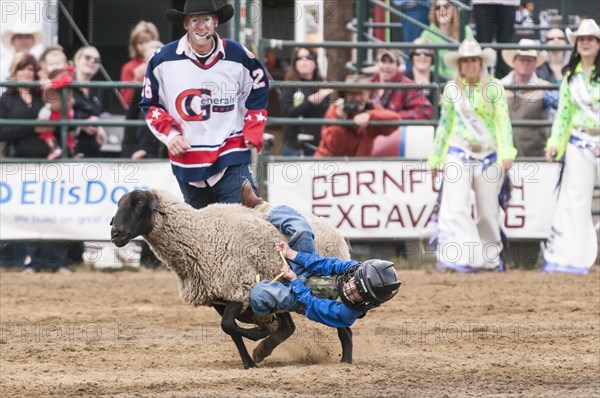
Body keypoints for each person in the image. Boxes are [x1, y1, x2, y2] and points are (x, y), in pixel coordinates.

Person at [140, 0, 269, 209]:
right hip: (187, 157)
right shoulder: (162, 59)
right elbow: (150, 104)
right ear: (185, 25)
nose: (202, 26)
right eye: (195, 20)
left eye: (207, 19)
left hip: (231, 151)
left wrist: (253, 129)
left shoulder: (239, 55)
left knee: (244, 222)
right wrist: (170, 134)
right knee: (200, 233)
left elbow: (259, 86)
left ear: (216, 21)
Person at [240, 183, 401, 329]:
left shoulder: (346, 315)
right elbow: (324, 263)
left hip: (299, 298)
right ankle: (261, 207)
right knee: (302, 229)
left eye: (358, 293)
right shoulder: (354, 267)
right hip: (312, 276)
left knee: (259, 293)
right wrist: (292, 254)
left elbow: (311, 303)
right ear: (357, 272)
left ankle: (267, 321)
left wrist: (293, 279)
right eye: (354, 282)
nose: (351, 288)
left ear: (367, 302)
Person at [428, 39, 517, 273]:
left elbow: (502, 122)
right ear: (459, 64)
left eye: (473, 60)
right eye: (465, 60)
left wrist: (507, 152)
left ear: (480, 63)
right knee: (455, 206)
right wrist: (436, 157)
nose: (469, 64)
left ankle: (490, 258)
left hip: (488, 154)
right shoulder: (451, 89)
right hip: (458, 151)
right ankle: (459, 256)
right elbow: (445, 125)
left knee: (488, 210)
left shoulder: (494, 87)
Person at [0, 53, 72, 274]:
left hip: (48, 161)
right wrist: (32, 126)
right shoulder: (6, 98)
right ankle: (31, 262)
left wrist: (49, 84)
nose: (27, 73)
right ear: (15, 71)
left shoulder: (43, 93)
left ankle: (57, 261)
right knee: (25, 214)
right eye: (23, 68)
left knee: (52, 211)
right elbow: (3, 130)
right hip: (19, 162)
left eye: (31, 69)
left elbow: (60, 112)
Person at [542, 19, 600, 275]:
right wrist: (555, 143)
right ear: (576, 44)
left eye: (591, 38)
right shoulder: (570, 77)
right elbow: (563, 116)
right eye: (582, 38)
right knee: (576, 201)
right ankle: (576, 258)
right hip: (578, 142)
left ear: (598, 44)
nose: (586, 42)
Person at [314, 75, 401, 157]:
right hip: (330, 166)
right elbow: (333, 145)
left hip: (358, 167)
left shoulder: (371, 109)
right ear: (345, 95)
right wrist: (341, 120)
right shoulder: (336, 110)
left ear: (368, 95)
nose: (357, 98)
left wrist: (369, 116)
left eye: (361, 93)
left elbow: (395, 120)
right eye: (352, 94)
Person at [500, 39, 558, 156]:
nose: (525, 63)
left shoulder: (545, 88)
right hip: (504, 155)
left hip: (537, 156)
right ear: (514, 61)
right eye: (522, 59)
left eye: (529, 60)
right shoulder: (499, 86)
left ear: (535, 63)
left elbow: (563, 109)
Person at [279, 47, 333, 156]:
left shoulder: (322, 85)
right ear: (295, 63)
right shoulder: (290, 86)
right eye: (299, 58)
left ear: (315, 63)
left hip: (320, 147)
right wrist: (310, 102)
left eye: (308, 57)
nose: (304, 61)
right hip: (295, 147)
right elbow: (287, 113)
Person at [123, 40, 165, 160]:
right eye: (150, 60)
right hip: (142, 154)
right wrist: (133, 151)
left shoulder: (173, 88)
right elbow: (129, 124)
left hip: (168, 155)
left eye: (158, 59)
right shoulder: (140, 89)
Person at [369, 49, 434, 119]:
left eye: (391, 62)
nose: (386, 66)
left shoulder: (408, 85)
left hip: (397, 128)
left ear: (398, 66)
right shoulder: (369, 83)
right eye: (383, 61)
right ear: (377, 64)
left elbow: (426, 111)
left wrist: (394, 116)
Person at [36, 46, 76, 159]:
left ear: (64, 64)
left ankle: (59, 148)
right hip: (53, 109)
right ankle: (65, 148)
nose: (55, 67)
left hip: (63, 111)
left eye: (58, 64)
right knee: (48, 130)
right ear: (45, 66)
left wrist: (50, 83)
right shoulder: (46, 76)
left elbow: (65, 81)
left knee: (46, 129)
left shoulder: (65, 74)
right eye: (51, 64)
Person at [419, 0, 475, 80]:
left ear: (453, 9)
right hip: (439, 83)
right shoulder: (427, 34)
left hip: (465, 81)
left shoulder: (465, 30)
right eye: (437, 7)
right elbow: (427, 64)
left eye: (446, 6)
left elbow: (473, 58)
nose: (442, 10)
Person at [72, 46, 108, 158]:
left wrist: (99, 127)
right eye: (87, 57)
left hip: (92, 149)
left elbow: (97, 114)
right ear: (77, 60)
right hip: (71, 147)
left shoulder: (97, 88)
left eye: (96, 60)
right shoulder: (67, 84)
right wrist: (81, 124)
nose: (92, 61)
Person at [472, 0, 519, 79]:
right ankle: (481, 79)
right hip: (482, 3)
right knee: (483, 45)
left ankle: (504, 84)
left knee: (505, 46)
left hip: (508, 3)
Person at [120, 21, 160, 110]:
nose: (145, 46)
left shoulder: (164, 62)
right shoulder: (129, 67)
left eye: (148, 42)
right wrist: (136, 79)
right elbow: (127, 102)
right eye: (140, 43)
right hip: (139, 113)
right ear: (134, 45)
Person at [0, 23, 44, 90]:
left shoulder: (39, 62)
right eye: (20, 37)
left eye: (28, 37)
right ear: (12, 41)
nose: (24, 41)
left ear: (33, 40)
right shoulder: (2, 64)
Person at [405, 37, 448, 105]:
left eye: (427, 53)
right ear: (412, 56)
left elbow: (442, 111)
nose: (422, 56)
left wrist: (430, 92)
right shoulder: (403, 79)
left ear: (432, 57)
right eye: (418, 52)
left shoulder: (442, 81)